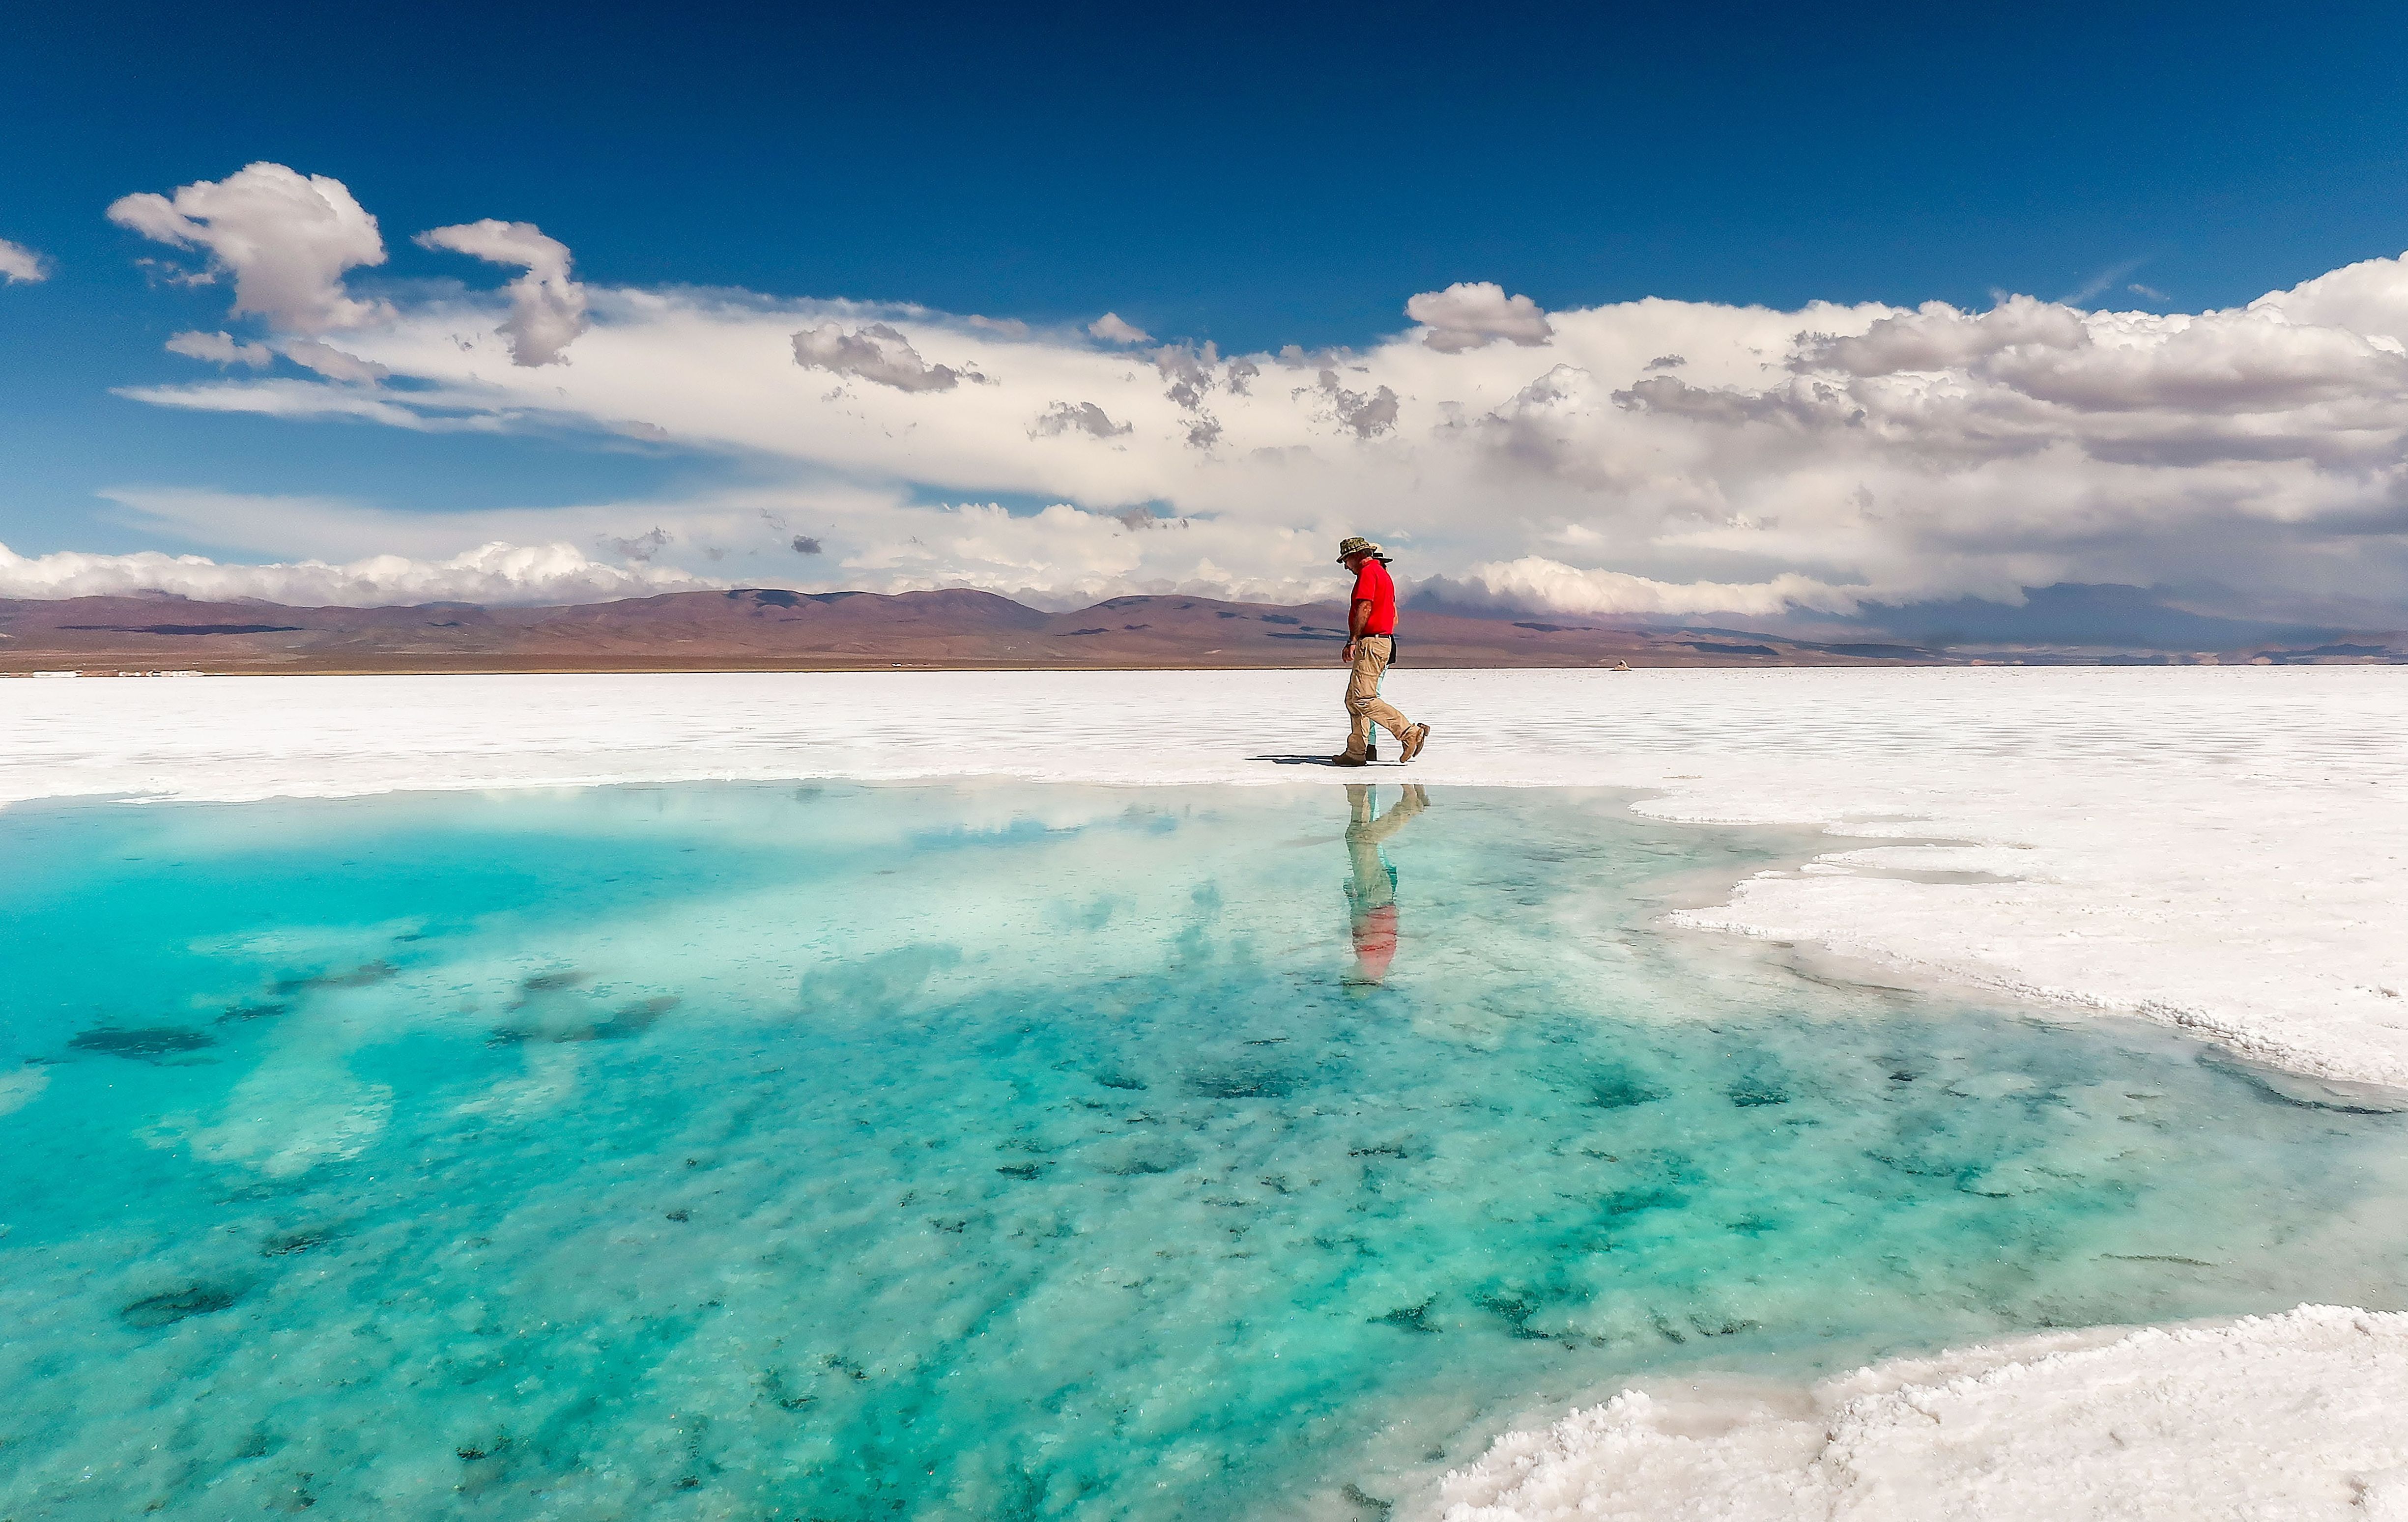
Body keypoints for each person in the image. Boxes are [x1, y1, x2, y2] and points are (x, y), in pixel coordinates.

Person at [1330, 536, 1431, 767]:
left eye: (1347, 560)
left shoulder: (1368, 573)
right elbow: (1393, 615)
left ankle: (1409, 732)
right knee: (1353, 699)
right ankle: (1357, 752)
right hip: (1380, 641)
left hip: (1371, 643)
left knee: (1364, 699)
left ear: (1357, 556)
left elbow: (1365, 606)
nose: (1346, 566)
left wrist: (1354, 640)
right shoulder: (1382, 574)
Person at [1343, 782, 1427, 985]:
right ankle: (1409, 808)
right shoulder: (1370, 963)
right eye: (1348, 980)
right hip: (1373, 898)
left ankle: (1359, 792)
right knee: (1361, 840)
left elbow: (1370, 929)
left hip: (1378, 897)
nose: (1346, 975)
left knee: (1355, 834)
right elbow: (1369, 927)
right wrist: (1357, 899)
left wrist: (1353, 898)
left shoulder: (1376, 962)